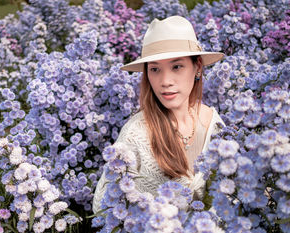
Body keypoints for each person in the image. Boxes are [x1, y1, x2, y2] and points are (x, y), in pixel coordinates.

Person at [92, 16, 225, 213]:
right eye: (155, 69)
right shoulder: (136, 134)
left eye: (176, 66)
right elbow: (101, 207)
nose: (165, 81)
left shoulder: (212, 122)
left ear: (197, 67)